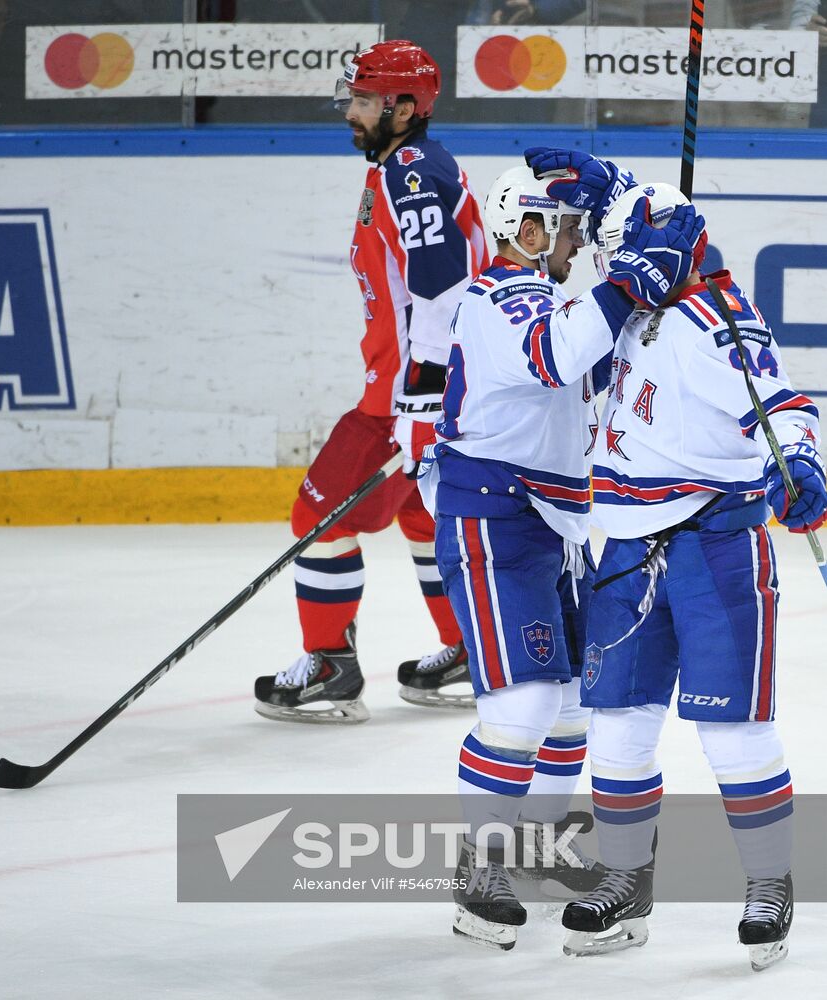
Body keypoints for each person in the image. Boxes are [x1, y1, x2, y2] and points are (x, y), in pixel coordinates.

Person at [525, 150, 827, 970]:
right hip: (621, 548)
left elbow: (782, 403)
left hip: (712, 545)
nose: (608, 268)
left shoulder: (715, 319)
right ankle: (624, 879)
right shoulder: (628, 302)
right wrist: (613, 187)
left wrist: (799, 463)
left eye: (620, 255)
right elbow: (641, 237)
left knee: (733, 733)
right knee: (618, 729)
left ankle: (769, 882)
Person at [420, 157, 702, 949]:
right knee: (522, 709)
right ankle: (478, 874)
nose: (578, 243)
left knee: (576, 705)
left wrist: (627, 210)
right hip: (494, 520)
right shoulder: (495, 297)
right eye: (567, 226)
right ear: (526, 227)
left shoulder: (553, 295)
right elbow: (557, 354)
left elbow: (602, 344)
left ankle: (536, 853)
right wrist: (626, 284)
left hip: (555, 525)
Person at [253, 41, 489, 724]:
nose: (350, 113)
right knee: (422, 514)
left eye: (363, 101)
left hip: (403, 396)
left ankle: (329, 664)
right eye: (352, 98)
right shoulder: (401, 165)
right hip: (425, 387)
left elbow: (442, 286)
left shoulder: (408, 174)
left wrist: (421, 394)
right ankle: (468, 650)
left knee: (315, 518)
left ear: (404, 106)